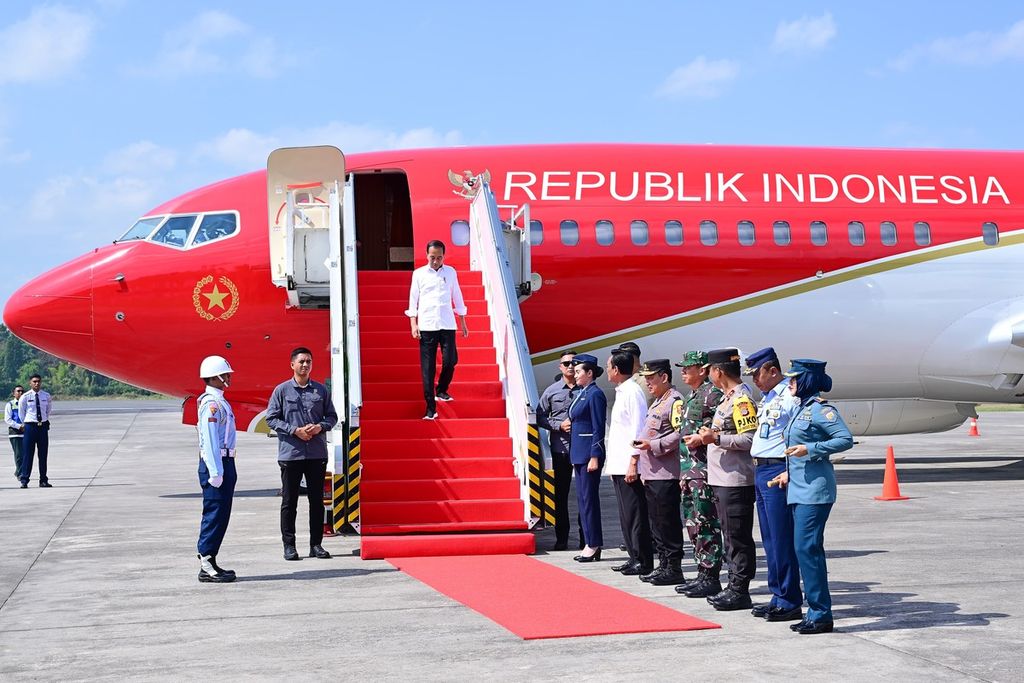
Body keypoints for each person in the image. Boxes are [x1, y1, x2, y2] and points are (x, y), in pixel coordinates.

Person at [770, 359, 854, 635]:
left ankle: (820, 614)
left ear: (806, 381)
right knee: (803, 549)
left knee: (808, 549)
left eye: (794, 379)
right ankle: (815, 612)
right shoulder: (801, 409)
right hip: (799, 489)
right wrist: (787, 474)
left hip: (815, 492)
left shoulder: (821, 410)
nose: (789, 383)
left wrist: (811, 448)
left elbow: (844, 439)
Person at [745, 347, 803, 622]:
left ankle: (790, 599)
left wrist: (791, 470)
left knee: (781, 538)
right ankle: (778, 594)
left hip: (778, 468)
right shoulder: (768, 398)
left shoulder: (790, 398)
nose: (755, 379)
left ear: (773, 371)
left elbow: (797, 434)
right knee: (769, 539)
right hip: (761, 468)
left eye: (757, 374)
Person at [698, 348, 758, 610]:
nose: (709, 374)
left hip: (735, 480)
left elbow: (750, 439)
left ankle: (740, 590)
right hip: (722, 479)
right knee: (729, 536)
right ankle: (733, 585)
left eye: (710, 369)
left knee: (737, 538)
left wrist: (716, 439)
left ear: (718, 371)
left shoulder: (741, 401)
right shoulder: (727, 399)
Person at [266, 347, 339, 561]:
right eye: (301, 362)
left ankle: (316, 545)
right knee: (290, 502)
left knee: (317, 502)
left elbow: (332, 416)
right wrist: (293, 430)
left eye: (308, 361)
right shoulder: (281, 391)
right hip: (291, 454)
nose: (305, 365)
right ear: (292, 365)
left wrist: (320, 427)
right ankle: (289, 545)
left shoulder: (320, 391)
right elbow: (271, 418)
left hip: (316, 453)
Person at [674, 351, 725, 598]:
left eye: (688, 367)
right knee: (693, 524)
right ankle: (702, 573)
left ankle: (711, 576)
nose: (683, 372)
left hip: (703, 471)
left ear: (702, 370)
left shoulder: (712, 395)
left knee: (706, 523)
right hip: (689, 470)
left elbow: (719, 428)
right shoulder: (691, 396)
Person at [634, 359, 687, 586]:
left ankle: (673, 567)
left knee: (667, 523)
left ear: (664, 377)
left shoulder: (674, 402)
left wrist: (652, 446)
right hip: (653, 473)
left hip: (665, 474)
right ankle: (664, 564)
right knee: (657, 523)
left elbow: (679, 434)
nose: (647, 383)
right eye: (645, 378)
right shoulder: (658, 402)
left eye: (651, 378)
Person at [406, 239, 469, 420]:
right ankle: (430, 408)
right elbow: (413, 298)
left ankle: (441, 389)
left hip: (447, 323)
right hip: (427, 325)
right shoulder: (418, 274)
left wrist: (462, 320)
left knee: (450, 360)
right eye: (432, 257)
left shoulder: (450, 272)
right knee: (428, 368)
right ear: (427, 255)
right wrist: (413, 323)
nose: (435, 261)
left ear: (443, 257)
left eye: (439, 258)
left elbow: (456, 294)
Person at [605, 350, 653, 575]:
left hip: (628, 464)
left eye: (608, 366)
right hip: (618, 463)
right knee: (626, 515)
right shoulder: (623, 391)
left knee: (636, 515)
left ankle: (643, 560)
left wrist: (634, 462)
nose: (607, 370)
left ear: (616, 369)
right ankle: (633, 556)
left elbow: (638, 429)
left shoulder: (633, 392)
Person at [195, 355, 238, 583]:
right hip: (217, 463)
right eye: (225, 374)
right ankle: (206, 562)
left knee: (221, 515)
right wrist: (215, 471)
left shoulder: (220, 401)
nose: (229, 377)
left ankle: (211, 559)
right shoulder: (211, 405)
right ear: (215, 376)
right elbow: (210, 441)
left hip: (225, 462)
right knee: (213, 514)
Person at [537, 350, 584, 551]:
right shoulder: (552, 391)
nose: (570, 367)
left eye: (574, 363)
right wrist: (558, 426)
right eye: (566, 364)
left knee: (585, 496)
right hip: (560, 450)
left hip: (582, 450)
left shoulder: (587, 390)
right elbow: (540, 416)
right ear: (560, 367)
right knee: (560, 496)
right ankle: (562, 537)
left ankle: (586, 538)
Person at [567, 353, 607, 562]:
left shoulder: (595, 394)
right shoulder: (581, 393)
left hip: (588, 454)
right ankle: (590, 541)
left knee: (589, 500)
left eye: (579, 371)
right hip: (578, 453)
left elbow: (598, 427)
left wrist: (595, 455)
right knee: (583, 500)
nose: (575, 374)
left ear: (590, 373)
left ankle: (593, 543)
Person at [19, 374, 52, 488]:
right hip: (30, 427)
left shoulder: (46, 396)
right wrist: (27, 423)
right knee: (28, 454)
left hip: (42, 427)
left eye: (38, 381)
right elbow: (21, 413)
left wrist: (43, 420)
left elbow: (48, 411)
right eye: (34, 381)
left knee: (43, 455)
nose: (36, 383)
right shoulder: (25, 396)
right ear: (30, 383)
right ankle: (24, 480)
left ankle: (43, 480)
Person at [613, 341, 653, 405]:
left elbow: (645, 406)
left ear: (631, 358)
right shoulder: (628, 378)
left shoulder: (644, 380)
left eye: (622, 357)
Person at [5, 385, 24, 481]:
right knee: (19, 454)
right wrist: (19, 426)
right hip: (15, 433)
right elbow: (8, 419)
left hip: (25, 432)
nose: (20, 393)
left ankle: (19, 471)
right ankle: (19, 473)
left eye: (22, 391)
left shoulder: (25, 404)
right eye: (18, 391)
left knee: (25, 454)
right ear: (14, 393)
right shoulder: (10, 404)